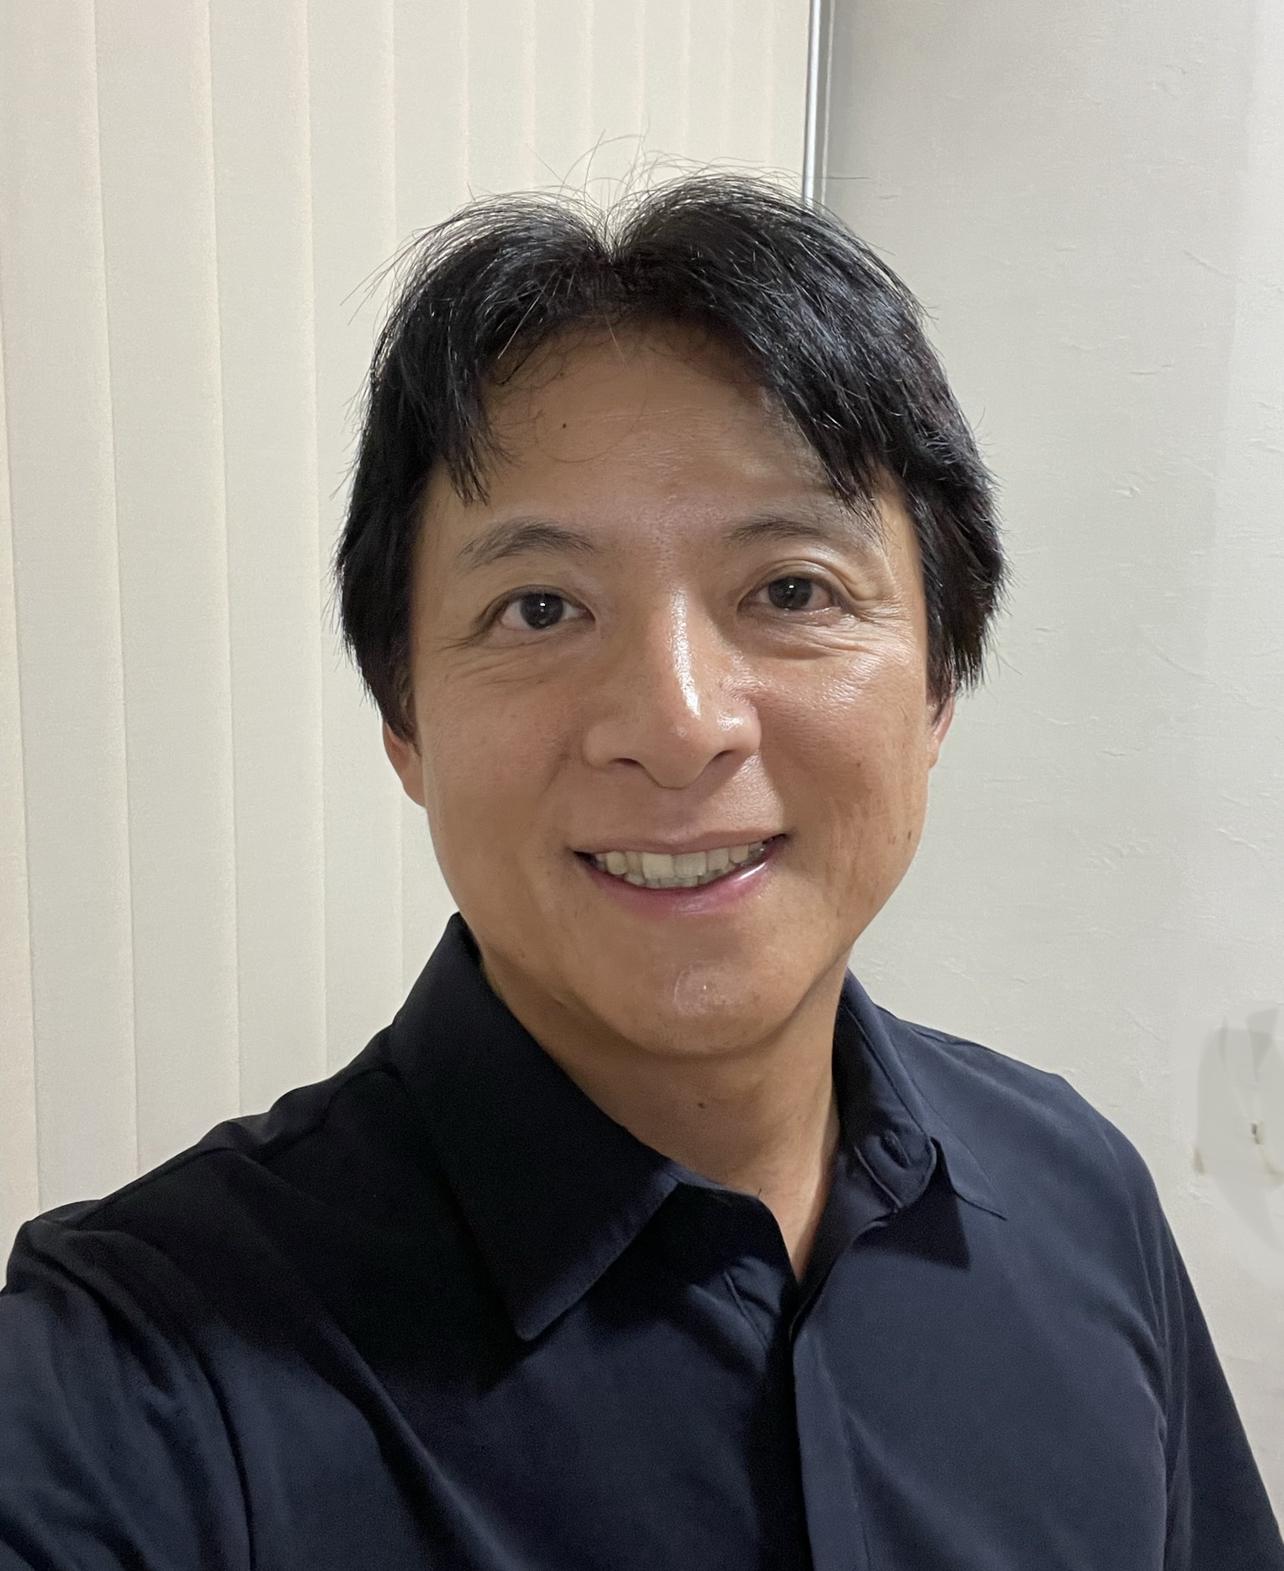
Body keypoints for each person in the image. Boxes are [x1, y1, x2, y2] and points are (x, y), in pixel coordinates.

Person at [1, 175, 1279, 1571]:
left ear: (937, 686)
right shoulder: (136, 1378)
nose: (678, 724)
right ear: (403, 721)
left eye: (791, 590)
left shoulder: (1081, 1196)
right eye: (541, 607)